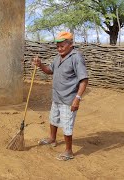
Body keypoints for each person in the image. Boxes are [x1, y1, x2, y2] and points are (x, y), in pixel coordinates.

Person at [33, 32, 88, 161]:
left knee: (67, 125)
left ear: (70, 44)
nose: (59, 49)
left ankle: (68, 151)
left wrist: (77, 99)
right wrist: (40, 65)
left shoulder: (76, 57)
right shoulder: (58, 57)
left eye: (62, 46)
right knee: (53, 119)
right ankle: (52, 139)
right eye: (57, 46)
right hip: (56, 96)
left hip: (69, 99)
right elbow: (49, 71)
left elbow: (84, 80)